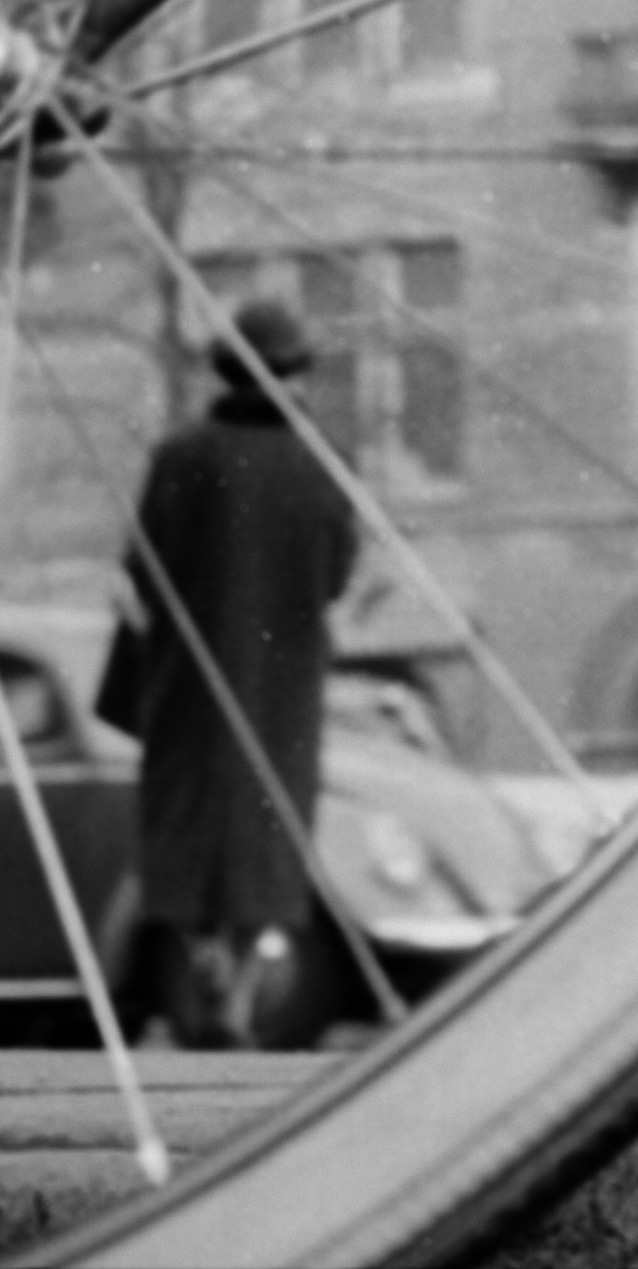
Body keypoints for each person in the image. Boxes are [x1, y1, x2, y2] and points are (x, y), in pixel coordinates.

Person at [115, 291, 359, 1050]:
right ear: (295, 372)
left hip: (191, 681)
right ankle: (242, 989)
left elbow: (141, 566)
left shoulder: (179, 455)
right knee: (271, 835)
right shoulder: (320, 463)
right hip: (282, 684)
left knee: (186, 825)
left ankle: (203, 956)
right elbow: (337, 572)